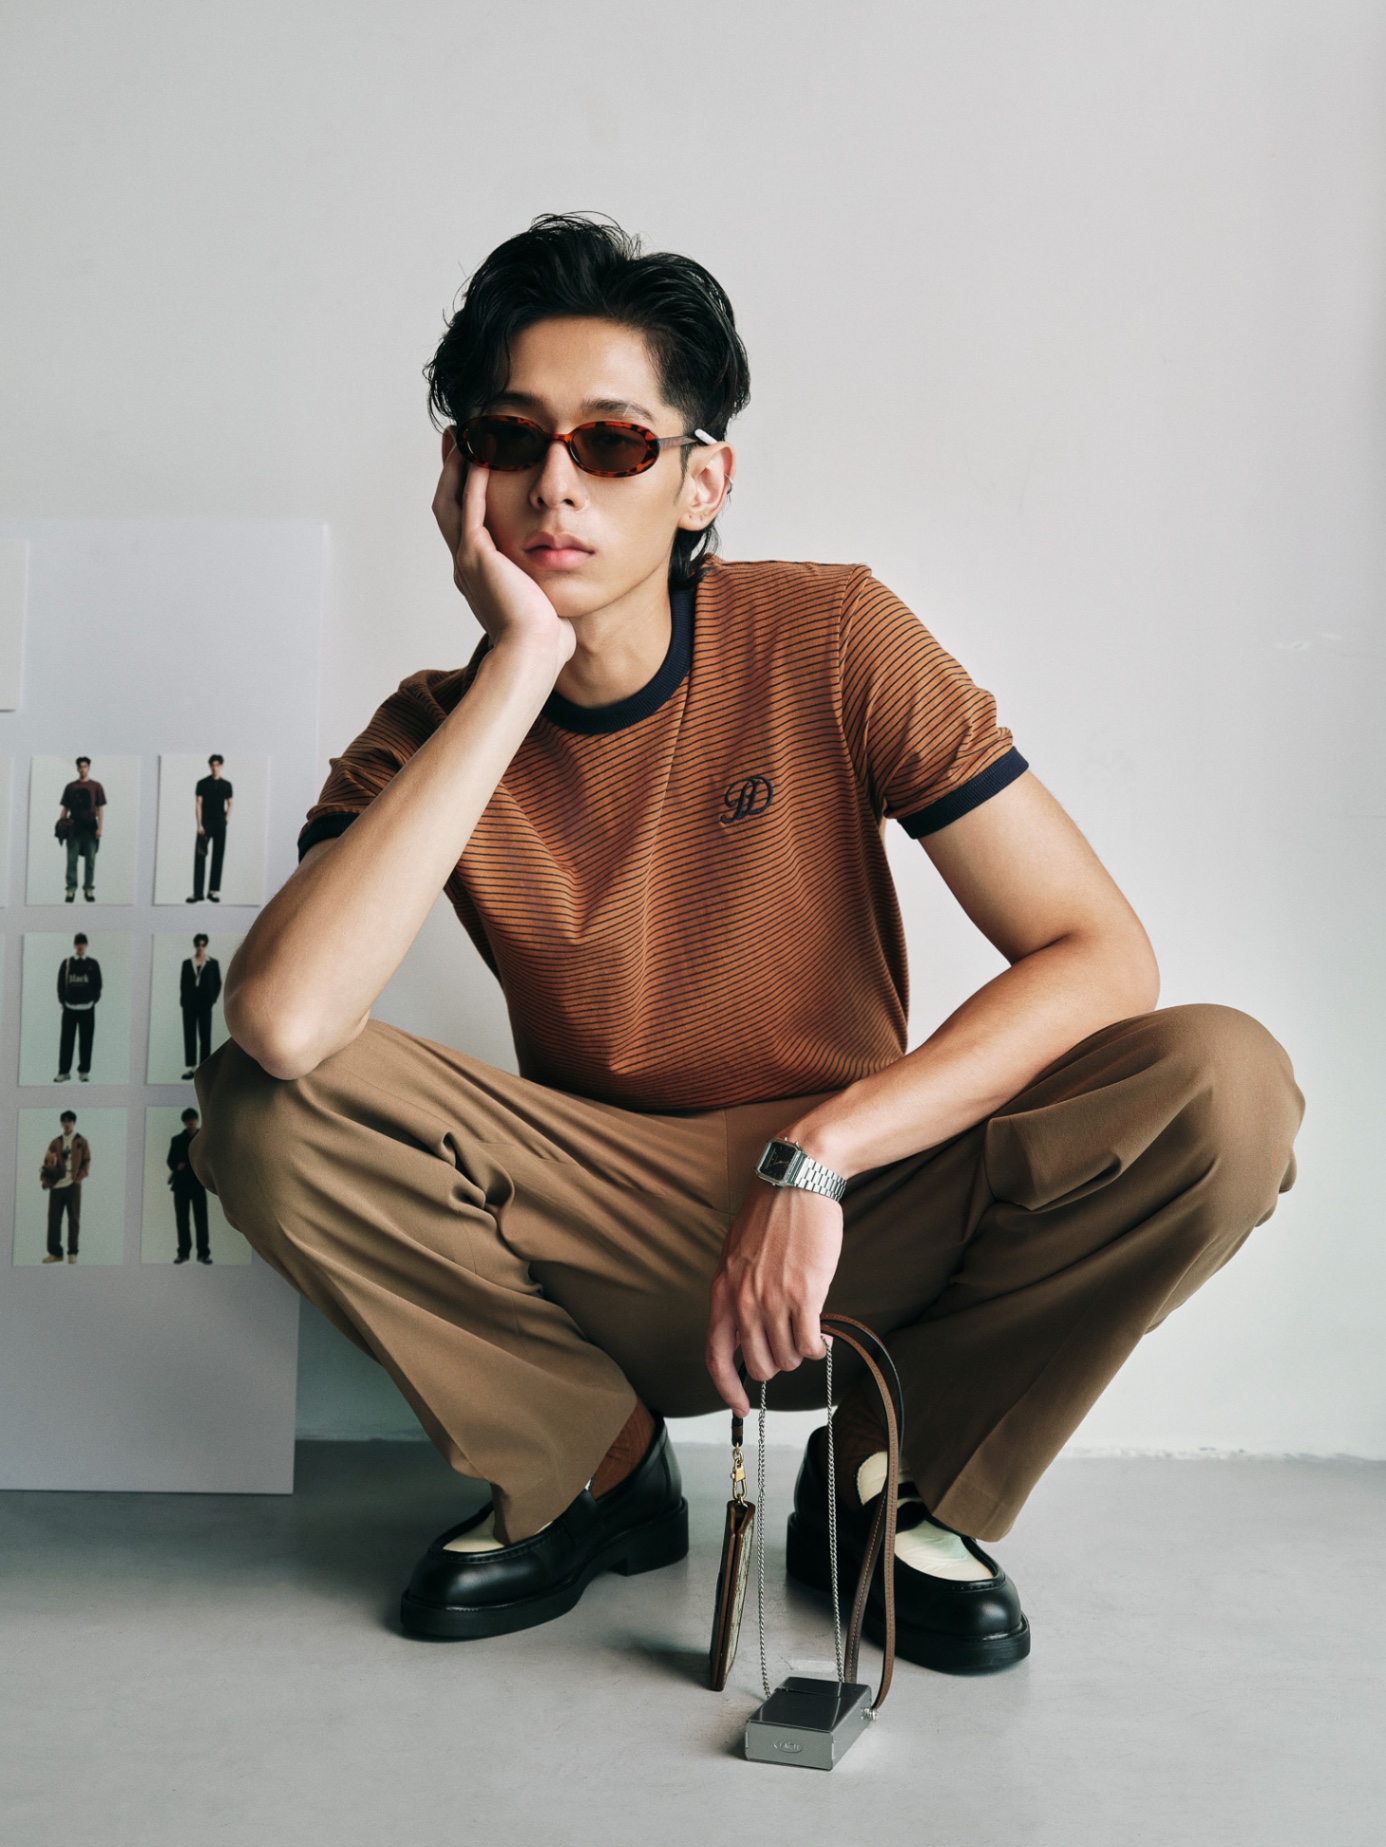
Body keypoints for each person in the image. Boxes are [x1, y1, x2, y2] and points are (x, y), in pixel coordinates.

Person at [194, 216, 1303, 1673]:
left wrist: (822, 1152)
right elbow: (281, 1021)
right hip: (604, 1230)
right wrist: (518, 667)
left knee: (1223, 1084)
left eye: (611, 442)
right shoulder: (433, 729)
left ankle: (890, 1482)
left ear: (701, 479)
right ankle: (588, 1466)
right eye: (511, 439)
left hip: (864, 1211)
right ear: (461, 476)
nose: (554, 484)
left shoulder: (830, 635)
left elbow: (1099, 952)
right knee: (259, 1103)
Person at [40, 1110, 89, 1264]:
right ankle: (55, 1253)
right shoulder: (55, 1142)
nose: (67, 1124)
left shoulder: (81, 1141)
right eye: (64, 1121)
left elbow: (87, 1160)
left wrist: (79, 1178)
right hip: (57, 1185)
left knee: (73, 1219)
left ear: (74, 1123)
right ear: (61, 1123)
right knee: (53, 1219)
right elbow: (47, 1162)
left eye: (69, 1121)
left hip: (73, 1185)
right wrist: (46, 1179)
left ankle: (72, 1252)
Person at [55, 933, 102, 1083]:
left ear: (86, 945)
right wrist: (63, 1001)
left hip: (87, 1009)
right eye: (78, 944)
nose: (80, 946)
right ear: (74, 945)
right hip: (70, 1008)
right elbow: (60, 984)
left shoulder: (93, 963)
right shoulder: (67, 963)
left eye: (83, 943)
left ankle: (84, 1071)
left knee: (86, 1041)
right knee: (66, 1041)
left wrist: (93, 1000)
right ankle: (64, 1072)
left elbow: (98, 984)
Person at [57, 756, 104, 902]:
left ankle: (88, 889)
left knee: (90, 861)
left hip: (90, 828)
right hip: (73, 828)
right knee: (72, 861)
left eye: (85, 766)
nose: (83, 769)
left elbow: (100, 808)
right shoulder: (70, 787)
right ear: (77, 768)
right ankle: (71, 889)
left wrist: (100, 828)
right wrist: (60, 824)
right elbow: (65, 808)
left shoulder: (96, 786)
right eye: (80, 767)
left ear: (89, 768)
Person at [167, 1108, 211, 1264]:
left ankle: (203, 1253)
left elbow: (210, 1158)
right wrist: (176, 1166)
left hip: (199, 1183)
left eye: (193, 1120)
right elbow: (170, 1160)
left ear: (197, 1120)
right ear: (184, 1122)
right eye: (188, 1120)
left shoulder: (204, 1139)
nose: (191, 1123)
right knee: (182, 1220)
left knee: (201, 1220)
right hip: (181, 1185)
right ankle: (183, 1253)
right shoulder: (177, 1140)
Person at [188, 755, 233, 903]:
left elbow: (230, 803)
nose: (215, 768)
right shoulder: (202, 783)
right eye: (213, 765)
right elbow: (198, 804)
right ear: (210, 766)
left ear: (221, 766)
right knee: (200, 855)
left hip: (220, 823)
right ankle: (198, 893)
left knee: (218, 856)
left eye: (217, 765)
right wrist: (199, 824)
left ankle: (213, 891)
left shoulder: (226, 785)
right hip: (205, 823)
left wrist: (226, 820)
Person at [179, 934, 222, 1079]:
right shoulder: (187, 963)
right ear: (195, 945)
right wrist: (185, 1001)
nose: (200, 947)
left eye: (203, 945)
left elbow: (217, 983)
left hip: (205, 1005)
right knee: (190, 1035)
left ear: (206, 946)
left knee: (205, 1036)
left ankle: (204, 1069)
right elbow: (183, 984)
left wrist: (212, 1000)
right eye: (198, 944)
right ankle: (192, 1068)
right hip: (189, 1005)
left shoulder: (213, 963)